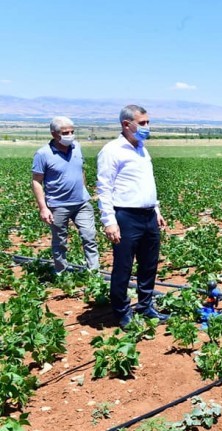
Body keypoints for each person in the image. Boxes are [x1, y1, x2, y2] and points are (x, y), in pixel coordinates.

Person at [96, 105, 168, 328]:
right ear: (127, 124)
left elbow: (146, 184)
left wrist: (156, 210)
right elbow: (104, 188)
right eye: (143, 123)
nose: (147, 127)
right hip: (126, 216)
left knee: (149, 265)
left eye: (148, 122)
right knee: (123, 266)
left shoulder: (142, 149)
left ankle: (145, 306)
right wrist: (109, 221)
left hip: (148, 215)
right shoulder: (111, 151)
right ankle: (121, 311)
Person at [31, 116, 100, 273]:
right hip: (58, 205)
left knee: (89, 237)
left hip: (82, 203)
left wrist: (83, 189)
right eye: (65, 132)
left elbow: (80, 169)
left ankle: (94, 274)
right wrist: (43, 208)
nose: (70, 135)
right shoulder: (43, 154)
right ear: (54, 134)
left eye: (72, 131)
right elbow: (36, 181)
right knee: (60, 242)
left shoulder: (77, 147)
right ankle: (61, 272)